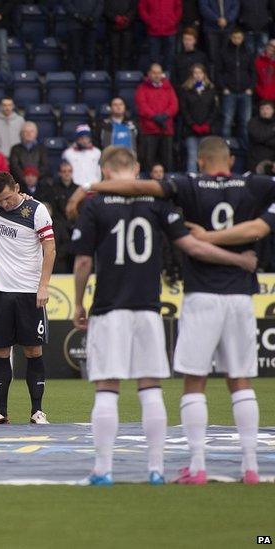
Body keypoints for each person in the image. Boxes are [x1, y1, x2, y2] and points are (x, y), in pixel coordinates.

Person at [65, 137, 270, 485]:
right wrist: (240, 259)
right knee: (158, 387)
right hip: (154, 307)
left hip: (114, 305)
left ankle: (106, 470)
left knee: (109, 388)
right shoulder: (160, 205)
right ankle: (161, 469)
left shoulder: (100, 204)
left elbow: (83, 259)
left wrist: (79, 301)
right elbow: (192, 244)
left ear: (106, 171)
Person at [0, 171, 55, 425]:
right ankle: (0, 411)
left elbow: (50, 249)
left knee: (33, 350)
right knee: (0, 351)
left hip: (29, 292)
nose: (4, 204)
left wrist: (44, 285)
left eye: (7, 198)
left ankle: (37, 411)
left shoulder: (36, 210)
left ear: (17, 187)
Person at [135, 63, 179, 171]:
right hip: (149, 130)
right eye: (154, 73)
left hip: (166, 129)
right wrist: (154, 117)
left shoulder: (168, 87)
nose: (157, 75)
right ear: (149, 74)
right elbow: (142, 105)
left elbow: (174, 105)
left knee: (167, 161)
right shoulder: (142, 88)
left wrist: (165, 115)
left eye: (159, 73)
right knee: (148, 161)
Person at [180, 64, 219, 172]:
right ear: (191, 75)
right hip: (190, 130)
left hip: (207, 130)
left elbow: (214, 109)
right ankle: (192, 182)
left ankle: (206, 181)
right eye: (195, 73)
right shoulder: (186, 90)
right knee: (192, 157)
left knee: (206, 158)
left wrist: (207, 124)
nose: (198, 75)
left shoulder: (211, 89)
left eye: (200, 73)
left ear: (204, 74)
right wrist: (192, 124)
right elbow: (184, 110)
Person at [219, 28, 255, 144]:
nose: (237, 40)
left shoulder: (248, 52)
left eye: (239, 38)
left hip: (245, 92)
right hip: (229, 91)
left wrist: (251, 87)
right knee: (227, 121)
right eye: (235, 38)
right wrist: (224, 87)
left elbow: (253, 72)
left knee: (245, 122)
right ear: (231, 37)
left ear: (243, 38)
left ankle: (245, 149)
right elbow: (219, 72)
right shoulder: (224, 52)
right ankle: (226, 147)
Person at [139, 0, 182, 74]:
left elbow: (178, 8)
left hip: (170, 31)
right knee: (153, 60)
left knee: (169, 59)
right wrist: (150, 22)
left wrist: (173, 21)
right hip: (154, 32)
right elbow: (142, 9)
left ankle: (168, 81)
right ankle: (155, 82)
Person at [64, 0, 102, 72]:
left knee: (90, 54)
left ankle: (89, 79)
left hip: (91, 25)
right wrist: (79, 16)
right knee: (75, 54)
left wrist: (93, 17)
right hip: (74, 25)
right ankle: (75, 79)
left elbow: (100, 4)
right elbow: (67, 3)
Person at [200, 0, 238, 70]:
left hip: (228, 29)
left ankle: (225, 77)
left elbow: (235, 8)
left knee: (227, 56)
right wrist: (217, 19)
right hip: (211, 29)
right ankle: (214, 78)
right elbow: (204, 8)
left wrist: (227, 19)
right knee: (212, 56)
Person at [9, 122, 48, 190]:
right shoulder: (15, 149)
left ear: (36, 134)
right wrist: (25, 178)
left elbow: (45, 165)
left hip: (38, 184)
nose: (29, 134)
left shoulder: (42, 148)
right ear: (21, 134)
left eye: (31, 131)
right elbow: (14, 166)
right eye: (26, 132)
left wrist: (35, 177)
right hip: (20, 183)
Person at [104, 0, 136, 73]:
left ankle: (124, 77)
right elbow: (105, 9)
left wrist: (126, 18)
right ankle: (114, 77)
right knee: (114, 55)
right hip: (112, 27)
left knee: (126, 55)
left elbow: (134, 8)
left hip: (128, 27)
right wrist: (115, 18)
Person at [248, 101, 275, 171]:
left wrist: (264, 140)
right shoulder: (253, 122)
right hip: (255, 161)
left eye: (267, 108)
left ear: (273, 110)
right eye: (262, 109)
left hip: (272, 163)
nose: (265, 111)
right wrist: (273, 130)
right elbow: (258, 137)